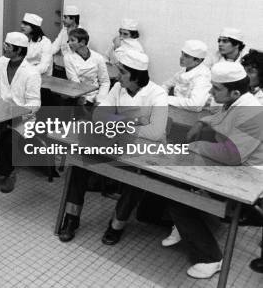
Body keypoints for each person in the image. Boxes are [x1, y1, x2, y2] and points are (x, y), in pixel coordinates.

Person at [165, 62, 263, 279]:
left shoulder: (252, 110)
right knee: (174, 183)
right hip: (232, 163)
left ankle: (210, 258)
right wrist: (201, 122)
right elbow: (220, 119)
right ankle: (186, 226)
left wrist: (197, 146)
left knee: (179, 197)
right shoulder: (234, 102)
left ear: (235, 91)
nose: (210, 92)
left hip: (249, 173)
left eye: (216, 89)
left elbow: (233, 155)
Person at [58, 50, 168, 244]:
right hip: (112, 142)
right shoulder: (118, 87)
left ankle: (117, 224)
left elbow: (156, 133)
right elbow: (99, 116)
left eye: (123, 72)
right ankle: (71, 218)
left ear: (136, 75)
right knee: (78, 161)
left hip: (138, 152)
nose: (118, 76)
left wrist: (116, 122)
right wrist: (134, 120)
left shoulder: (157, 94)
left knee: (135, 177)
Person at [0, 32, 41, 193]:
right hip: (0, 112)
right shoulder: (2, 62)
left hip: (22, 118)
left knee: (8, 140)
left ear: (18, 50)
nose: (4, 47)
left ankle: (9, 173)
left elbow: (35, 103)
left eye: (8, 46)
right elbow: (0, 90)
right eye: (5, 44)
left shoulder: (31, 73)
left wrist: (15, 114)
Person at [63, 27, 110, 105]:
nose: (69, 43)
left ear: (82, 42)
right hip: (77, 94)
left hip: (96, 94)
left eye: (72, 40)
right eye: (69, 40)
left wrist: (100, 99)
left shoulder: (98, 57)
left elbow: (105, 82)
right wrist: (82, 97)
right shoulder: (67, 57)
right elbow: (74, 80)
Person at [162, 40, 211, 111]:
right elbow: (166, 85)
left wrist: (167, 99)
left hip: (194, 116)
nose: (181, 57)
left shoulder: (202, 77)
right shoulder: (184, 71)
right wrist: (162, 96)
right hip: (179, 110)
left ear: (198, 61)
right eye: (182, 53)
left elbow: (196, 105)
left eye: (186, 56)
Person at [51, 5, 80, 77]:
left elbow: (76, 56)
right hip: (63, 65)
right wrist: (46, 54)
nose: (62, 20)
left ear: (73, 19)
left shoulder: (82, 33)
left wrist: (70, 35)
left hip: (76, 69)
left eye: (65, 17)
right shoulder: (64, 30)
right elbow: (55, 46)